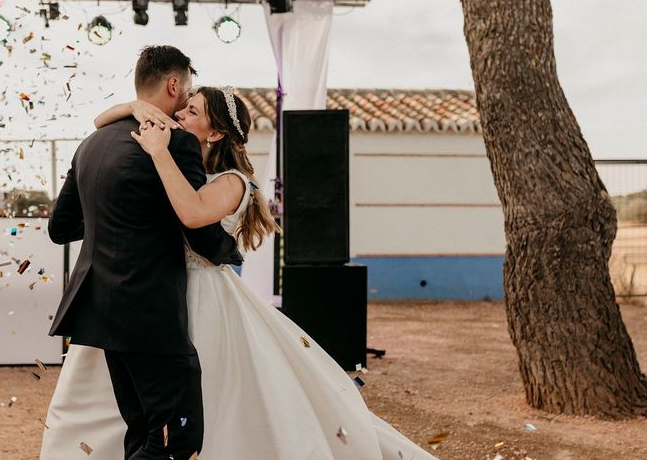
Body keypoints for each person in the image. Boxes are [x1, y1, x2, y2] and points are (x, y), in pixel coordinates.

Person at [40, 80, 438, 460]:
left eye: (192, 112)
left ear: (215, 134)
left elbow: (193, 213)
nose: (179, 115)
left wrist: (160, 152)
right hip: (152, 297)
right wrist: (134, 107)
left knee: (211, 406)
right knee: (137, 414)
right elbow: (100, 123)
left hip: (201, 298)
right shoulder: (172, 164)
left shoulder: (234, 182)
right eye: (183, 107)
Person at [45, 46, 243, 460]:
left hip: (100, 307)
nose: (186, 105)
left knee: (140, 431)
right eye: (186, 95)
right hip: (151, 311)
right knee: (175, 441)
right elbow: (202, 236)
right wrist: (232, 251)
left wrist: (117, 222)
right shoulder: (177, 143)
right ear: (174, 85)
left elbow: (60, 228)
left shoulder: (93, 142)